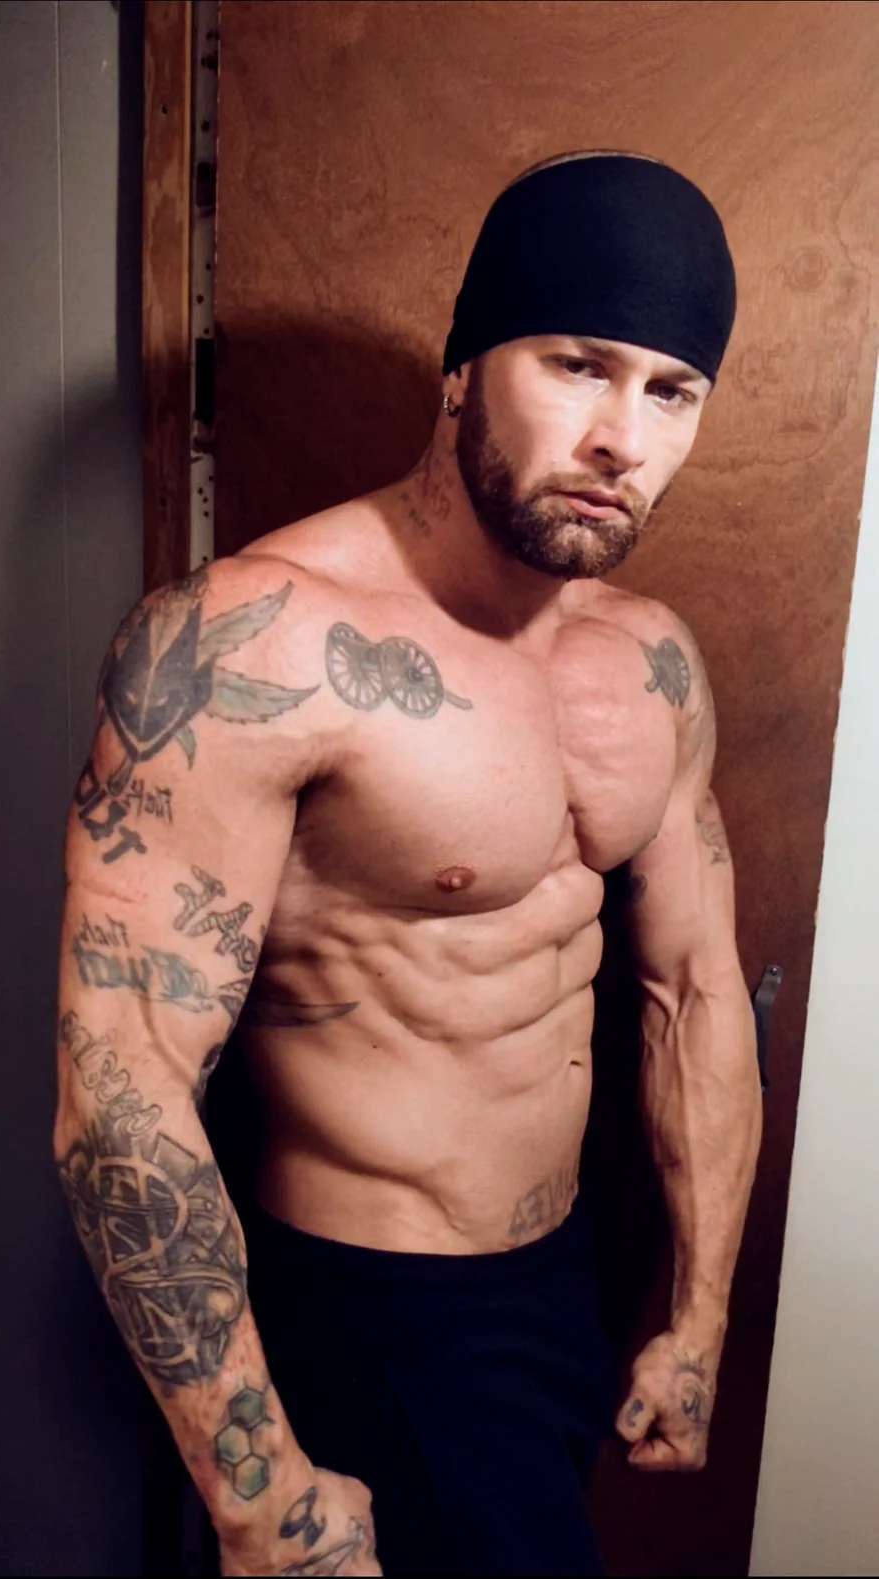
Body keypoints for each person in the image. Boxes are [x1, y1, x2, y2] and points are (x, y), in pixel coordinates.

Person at [54, 150, 762, 1578]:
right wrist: (261, 1498)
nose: (621, 438)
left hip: (564, 1288)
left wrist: (697, 1321)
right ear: (461, 370)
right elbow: (118, 1081)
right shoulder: (251, 643)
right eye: (577, 365)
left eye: (670, 391)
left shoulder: (650, 662)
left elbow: (694, 992)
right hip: (367, 1316)